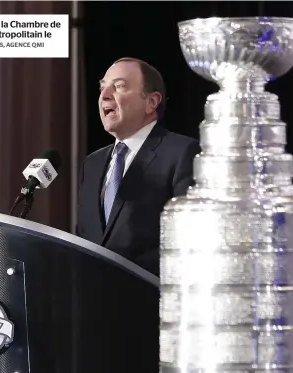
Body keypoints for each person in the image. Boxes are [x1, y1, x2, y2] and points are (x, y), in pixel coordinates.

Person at [76, 57, 200, 276]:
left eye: (120, 87)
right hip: (94, 302)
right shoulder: (92, 164)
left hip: (151, 300)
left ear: (151, 102)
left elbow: (191, 241)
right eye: (102, 87)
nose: (104, 95)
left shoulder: (182, 153)